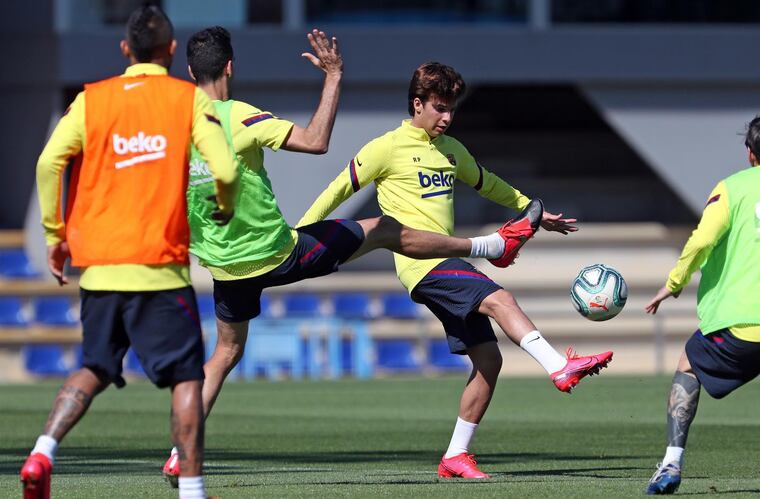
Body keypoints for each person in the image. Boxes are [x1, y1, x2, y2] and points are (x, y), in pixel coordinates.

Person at [161, 27, 538, 485]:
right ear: (230, 67)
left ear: (188, 71)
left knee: (223, 353)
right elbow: (315, 140)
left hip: (223, 266)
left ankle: (181, 454)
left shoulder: (175, 125)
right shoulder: (240, 117)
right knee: (384, 228)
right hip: (277, 252)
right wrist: (333, 76)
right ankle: (487, 247)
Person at [298, 62, 614, 478]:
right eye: (439, 108)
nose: (447, 117)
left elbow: (489, 183)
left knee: (488, 360)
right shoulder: (385, 147)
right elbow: (338, 189)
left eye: (451, 110)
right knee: (501, 298)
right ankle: (558, 366)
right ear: (417, 104)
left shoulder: (452, 150)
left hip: (445, 260)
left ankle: (455, 456)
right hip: (421, 263)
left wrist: (532, 212)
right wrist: (300, 234)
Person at [19, 6, 238, 499]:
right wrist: (223, 206)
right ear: (170, 51)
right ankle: (192, 490)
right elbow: (224, 170)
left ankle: (42, 453)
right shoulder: (186, 100)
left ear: (125, 50)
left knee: (95, 366)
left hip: (99, 270)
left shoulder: (90, 100)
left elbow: (49, 161)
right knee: (185, 377)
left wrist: (56, 235)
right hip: (158, 268)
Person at [644, 114, 760, 495]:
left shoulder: (733, 188)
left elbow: (701, 240)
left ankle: (671, 464)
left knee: (689, 365)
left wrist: (674, 283)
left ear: (750, 154)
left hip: (740, 325)